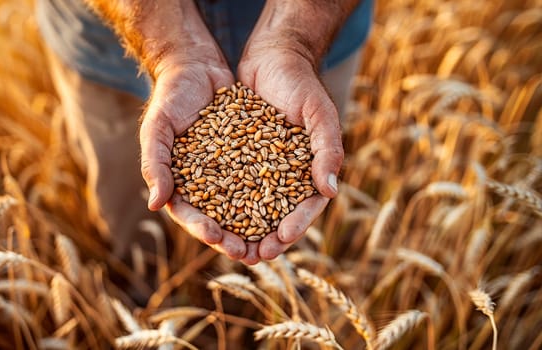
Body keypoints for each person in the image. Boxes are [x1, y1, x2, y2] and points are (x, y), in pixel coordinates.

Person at [35, 0, 373, 265]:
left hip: (321, 27)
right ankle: (142, 285)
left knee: (304, 226)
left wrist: (297, 40)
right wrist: (169, 48)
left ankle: (295, 284)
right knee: (126, 206)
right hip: (110, 41)